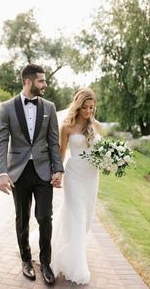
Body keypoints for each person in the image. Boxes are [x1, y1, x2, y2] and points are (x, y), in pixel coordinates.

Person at [0, 63, 64, 285]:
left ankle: (45, 263)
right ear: (28, 81)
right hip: (19, 172)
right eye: (41, 80)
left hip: (44, 172)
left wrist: (59, 169)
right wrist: (1, 172)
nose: (45, 84)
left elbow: (54, 141)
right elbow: (1, 142)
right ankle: (26, 260)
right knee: (22, 218)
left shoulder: (50, 107)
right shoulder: (6, 108)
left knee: (44, 217)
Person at [51, 87, 101, 285]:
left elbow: (99, 152)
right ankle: (77, 266)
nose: (89, 111)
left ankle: (69, 249)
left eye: (92, 107)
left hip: (91, 177)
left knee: (86, 218)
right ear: (78, 107)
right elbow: (61, 155)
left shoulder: (96, 126)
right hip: (74, 176)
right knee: (77, 217)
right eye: (85, 107)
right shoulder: (67, 127)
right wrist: (58, 174)